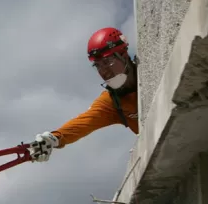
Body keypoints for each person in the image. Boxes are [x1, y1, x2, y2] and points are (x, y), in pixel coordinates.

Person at [28, 27, 140, 162]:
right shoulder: (111, 102)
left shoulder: (149, 70)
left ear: (123, 55)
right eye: (97, 66)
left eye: (107, 62)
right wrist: (53, 139)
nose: (103, 71)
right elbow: (83, 123)